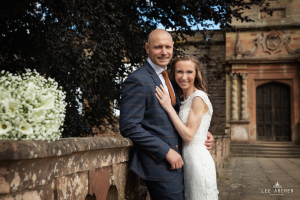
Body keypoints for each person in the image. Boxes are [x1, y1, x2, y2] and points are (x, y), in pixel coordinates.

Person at [119, 29, 214, 200]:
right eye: (158, 47)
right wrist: (165, 151)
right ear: (147, 48)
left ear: (173, 48)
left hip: (182, 164)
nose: (164, 52)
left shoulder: (169, 78)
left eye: (168, 47)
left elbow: (178, 116)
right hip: (160, 166)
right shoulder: (138, 79)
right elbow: (129, 126)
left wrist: (202, 133)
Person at [155, 54, 219, 199]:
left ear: (196, 74)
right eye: (180, 71)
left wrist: (168, 108)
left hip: (198, 162)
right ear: (173, 73)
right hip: (188, 162)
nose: (184, 77)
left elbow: (189, 136)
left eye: (189, 72)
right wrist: (206, 133)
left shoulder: (198, 97)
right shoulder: (182, 99)